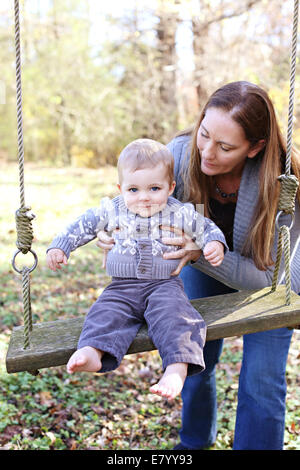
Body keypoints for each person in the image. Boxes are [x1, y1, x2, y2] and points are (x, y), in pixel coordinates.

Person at [97, 81, 300, 450]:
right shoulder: (180, 153)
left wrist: (199, 254)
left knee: (261, 380)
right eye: (204, 133)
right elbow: (136, 201)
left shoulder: (282, 181)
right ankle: (193, 443)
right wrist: (112, 231)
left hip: (270, 284)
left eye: (225, 147)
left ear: (255, 148)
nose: (206, 151)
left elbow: (270, 277)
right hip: (201, 265)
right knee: (193, 357)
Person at [46, 138, 228, 400]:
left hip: (164, 285)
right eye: (133, 190)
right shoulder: (112, 209)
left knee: (178, 316)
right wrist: (61, 246)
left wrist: (213, 242)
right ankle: (92, 352)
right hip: (122, 286)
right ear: (121, 189)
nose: (144, 197)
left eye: (154, 188)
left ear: (170, 187)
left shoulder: (180, 212)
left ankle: (176, 368)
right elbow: (82, 225)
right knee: (105, 312)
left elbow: (205, 227)